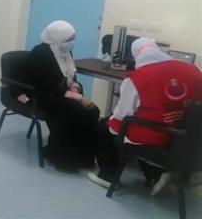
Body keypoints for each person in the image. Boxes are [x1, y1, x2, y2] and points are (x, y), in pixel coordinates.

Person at [87, 38, 202, 195]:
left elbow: (122, 115)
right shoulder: (192, 70)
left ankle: (108, 176)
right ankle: (159, 173)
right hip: (186, 138)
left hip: (156, 138)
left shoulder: (138, 78)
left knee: (105, 126)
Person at [26, 20, 100, 171]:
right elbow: (47, 86)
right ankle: (62, 157)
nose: (72, 42)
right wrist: (79, 98)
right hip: (44, 96)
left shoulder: (64, 51)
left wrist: (75, 88)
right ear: (57, 38)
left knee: (92, 112)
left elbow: (70, 74)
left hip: (62, 93)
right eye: (69, 39)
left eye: (73, 38)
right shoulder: (40, 54)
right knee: (73, 112)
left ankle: (83, 157)